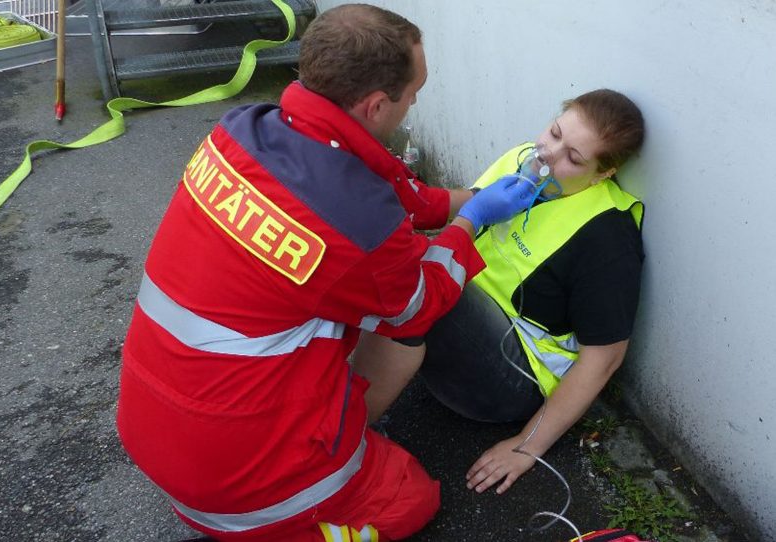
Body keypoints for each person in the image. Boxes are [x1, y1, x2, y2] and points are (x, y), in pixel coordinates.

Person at [115, 4, 534, 542]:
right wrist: (473, 222)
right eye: (414, 94)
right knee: (413, 496)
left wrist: (464, 199)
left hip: (157, 434)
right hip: (245, 488)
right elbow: (417, 300)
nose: (416, 102)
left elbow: (373, 188)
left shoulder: (243, 132)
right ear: (378, 105)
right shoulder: (356, 227)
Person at [419, 88, 646, 495]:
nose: (549, 156)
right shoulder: (524, 156)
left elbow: (606, 357)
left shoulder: (608, 236)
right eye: (555, 133)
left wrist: (527, 447)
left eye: (574, 158)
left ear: (602, 174)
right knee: (391, 249)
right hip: (461, 334)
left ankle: (340, 422)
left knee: (412, 270)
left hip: (509, 376)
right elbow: (463, 210)